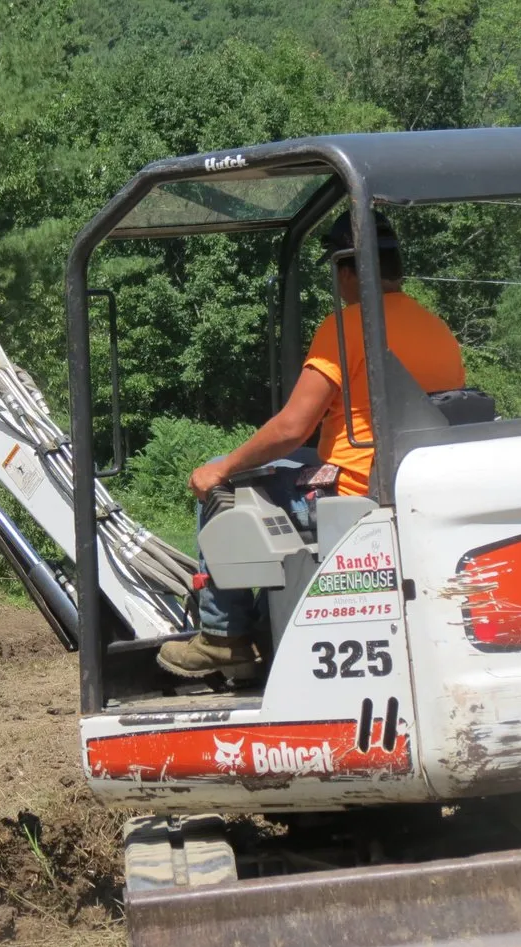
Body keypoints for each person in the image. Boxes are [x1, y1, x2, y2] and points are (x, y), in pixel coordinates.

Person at [157, 209, 465, 680]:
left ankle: (224, 637)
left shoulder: (346, 327)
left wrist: (223, 468)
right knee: (287, 466)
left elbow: (291, 428)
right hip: (408, 481)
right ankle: (264, 627)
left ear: (346, 269)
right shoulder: (438, 329)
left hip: (350, 487)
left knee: (221, 479)